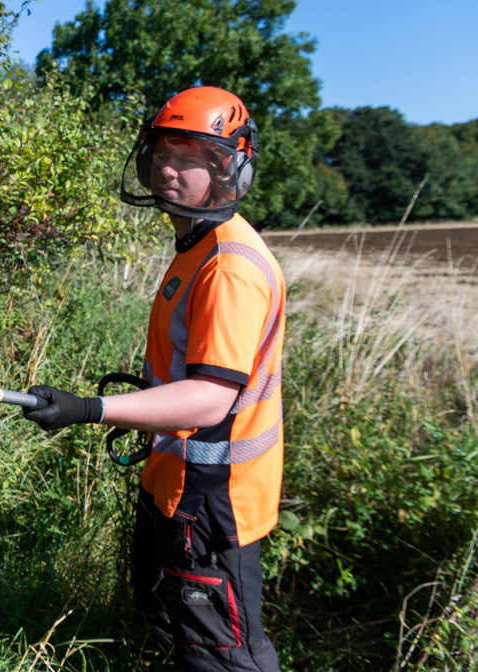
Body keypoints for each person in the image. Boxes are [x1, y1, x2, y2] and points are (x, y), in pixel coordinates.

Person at [22, 86, 285, 672]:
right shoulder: (197, 242)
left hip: (212, 501)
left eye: (190, 157)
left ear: (230, 170)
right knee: (173, 634)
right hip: (177, 486)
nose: (168, 169)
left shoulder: (229, 266)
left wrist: (89, 409)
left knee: (226, 658)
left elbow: (211, 398)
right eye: (163, 152)